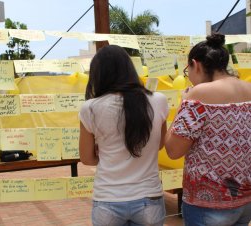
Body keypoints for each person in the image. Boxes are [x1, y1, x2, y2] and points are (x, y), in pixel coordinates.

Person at [165, 33, 251, 226]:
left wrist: (183, 104)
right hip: (244, 200)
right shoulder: (248, 88)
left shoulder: (199, 94)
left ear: (196, 64)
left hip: (208, 204)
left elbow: (173, 150)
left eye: (188, 71)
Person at [79, 45, 168, 226]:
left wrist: (105, 153)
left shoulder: (90, 108)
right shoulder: (158, 100)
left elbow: (87, 159)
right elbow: (159, 144)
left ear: (98, 75)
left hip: (107, 199)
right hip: (148, 198)